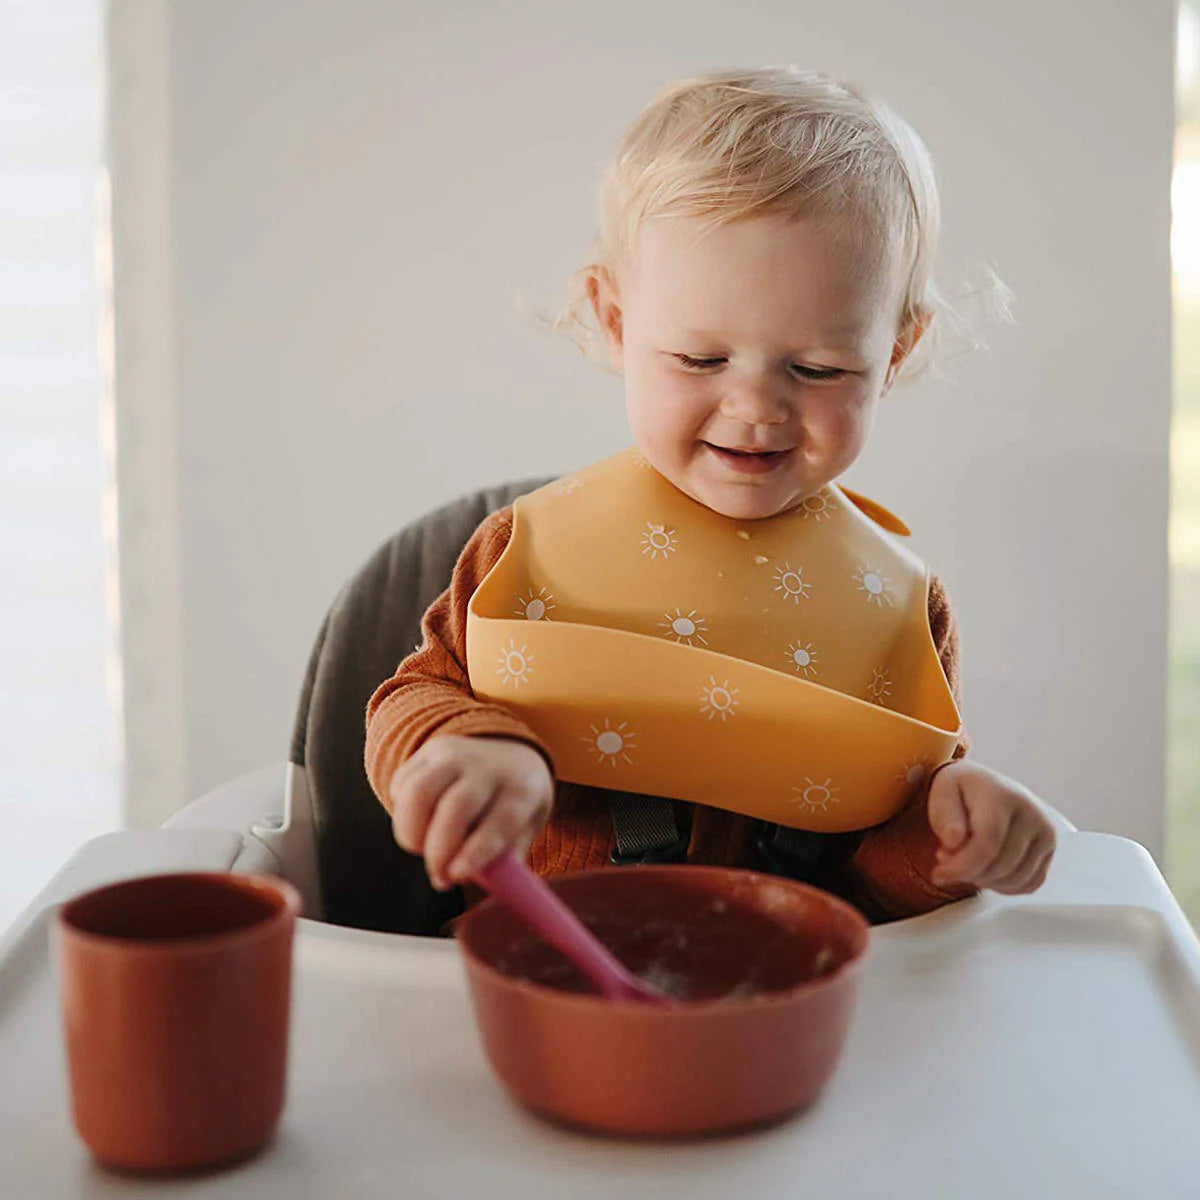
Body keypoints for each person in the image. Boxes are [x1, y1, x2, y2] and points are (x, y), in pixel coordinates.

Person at [363, 66, 1057, 924]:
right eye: (700, 359)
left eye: (819, 369)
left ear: (897, 354)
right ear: (615, 322)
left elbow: (880, 877)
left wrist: (951, 839)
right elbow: (411, 697)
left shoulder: (898, 612)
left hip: (786, 995)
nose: (756, 409)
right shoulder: (528, 554)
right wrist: (465, 750)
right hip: (548, 974)